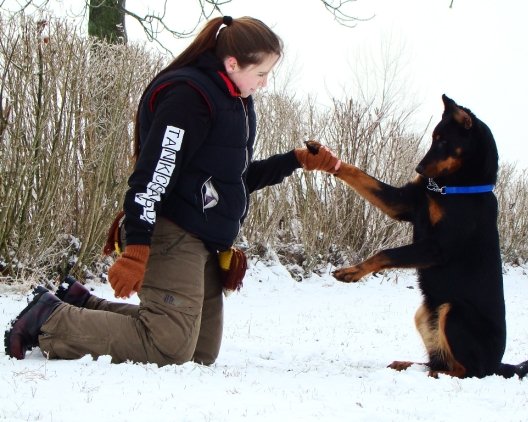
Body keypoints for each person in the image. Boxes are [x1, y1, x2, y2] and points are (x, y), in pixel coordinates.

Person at [4, 16, 340, 366]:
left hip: (206, 241)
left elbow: (230, 181)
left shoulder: (237, 101)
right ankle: (49, 321)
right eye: (261, 73)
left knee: (199, 352)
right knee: (168, 347)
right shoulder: (189, 97)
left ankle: (80, 304)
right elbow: (153, 176)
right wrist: (136, 249)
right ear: (232, 63)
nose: (265, 83)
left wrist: (296, 161)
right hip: (175, 232)